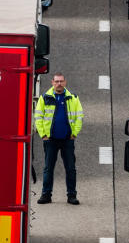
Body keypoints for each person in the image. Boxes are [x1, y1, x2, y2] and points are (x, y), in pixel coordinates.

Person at [35, 72, 84, 205]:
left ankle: (71, 196)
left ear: (65, 82)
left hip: (67, 139)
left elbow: (79, 116)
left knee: (71, 169)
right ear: (52, 82)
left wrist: (74, 133)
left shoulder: (73, 98)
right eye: (56, 81)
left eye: (61, 81)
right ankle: (46, 195)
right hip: (50, 140)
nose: (59, 84)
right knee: (48, 169)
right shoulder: (45, 98)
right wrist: (43, 135)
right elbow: (38, 117)